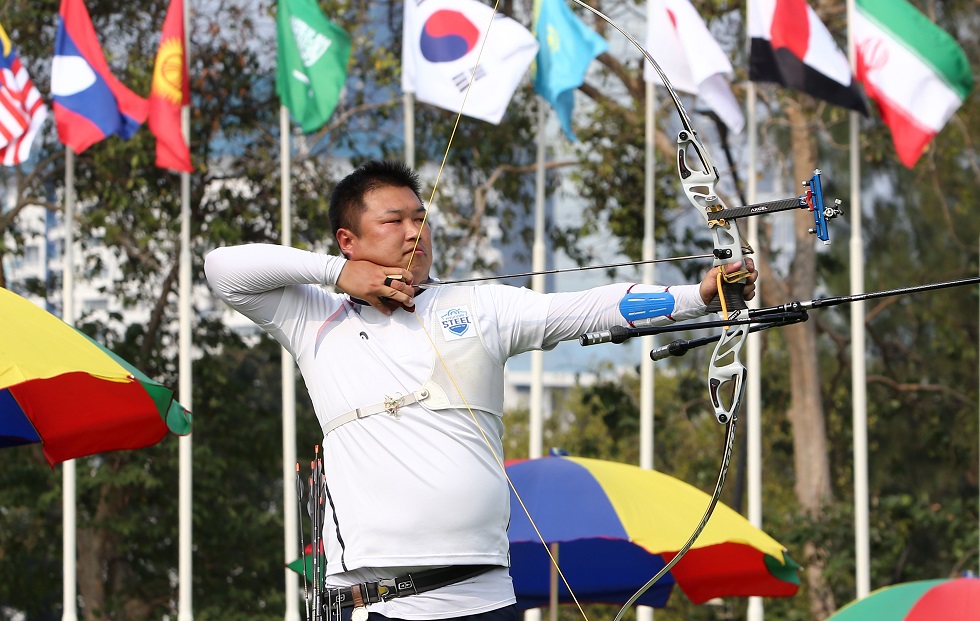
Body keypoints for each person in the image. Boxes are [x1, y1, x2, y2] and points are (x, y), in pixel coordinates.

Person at [204, 159, 757, 621]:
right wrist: (336, 273)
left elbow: (586, 307)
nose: (414, 232)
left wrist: (699, 297)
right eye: (393, 221)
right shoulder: (312, 316)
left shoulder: (480, 308)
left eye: (420, 218)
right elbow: (222, 268)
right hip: (374, 600)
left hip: (485, 594)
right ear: (348, 239)